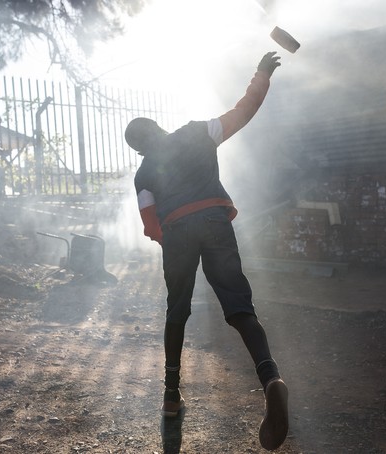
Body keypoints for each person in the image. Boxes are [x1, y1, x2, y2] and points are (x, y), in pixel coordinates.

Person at [125, 51, 288, 452]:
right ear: (159, 127)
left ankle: (170, 395)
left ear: (138, 149)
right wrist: (262, 74)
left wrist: (176, 244)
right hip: (215, 221)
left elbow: (150, 224)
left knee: (176, 311)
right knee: (239, 307)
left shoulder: (144, 173)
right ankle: (270, 378)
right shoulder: (198, 132)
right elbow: (243, 111)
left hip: (178, 230)